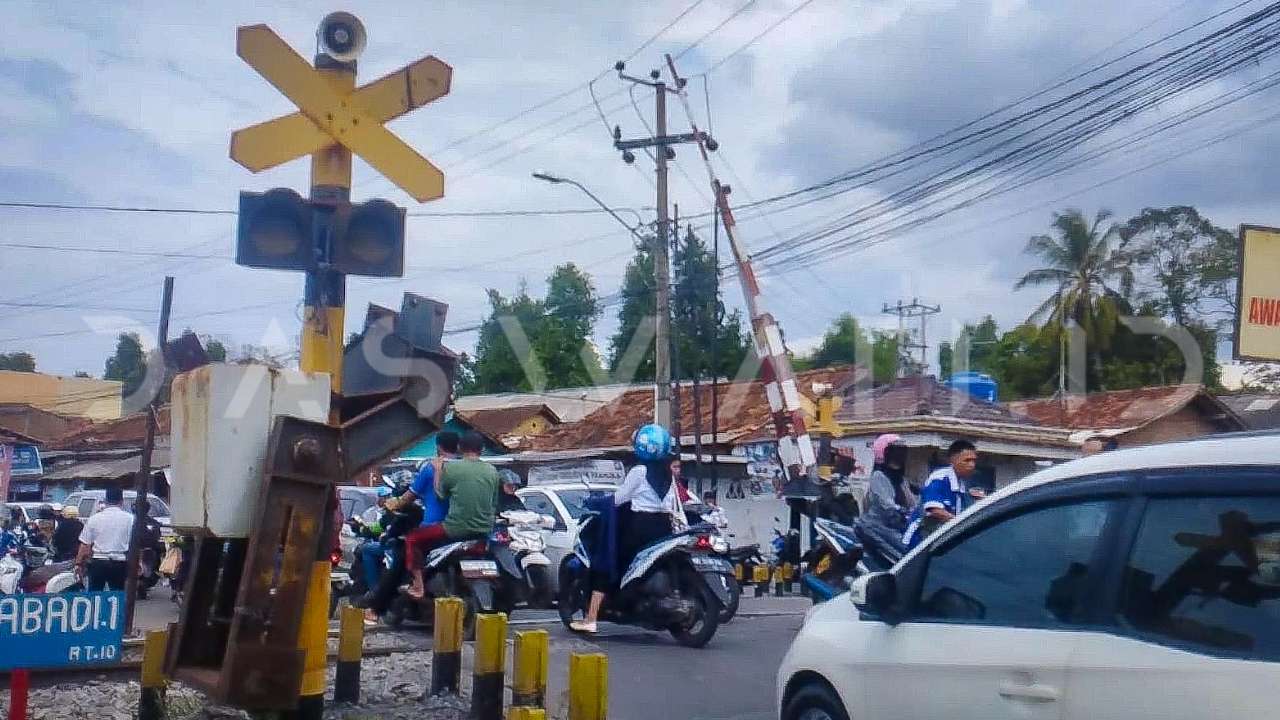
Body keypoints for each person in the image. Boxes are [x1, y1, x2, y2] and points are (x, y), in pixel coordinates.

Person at [571, 423, 680, 634]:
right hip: (664, 528)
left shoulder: (639, 471)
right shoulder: (668, 473)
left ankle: (591, 618)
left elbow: (619, 499)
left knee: (607, 561)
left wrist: (596, 502)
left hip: (641, 528)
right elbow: (671, 503)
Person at [403, 431, 500, 600]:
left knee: (412, 538)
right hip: (485, 530)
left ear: (461, 449)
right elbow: (494, 502)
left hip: (455, 529)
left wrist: (438, 470)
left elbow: (440, 494)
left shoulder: (452, 467)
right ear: (482, 450)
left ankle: (418, 586)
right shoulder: (492, 471)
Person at [902, 440, 984, 550]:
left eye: (974, 461)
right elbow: (935, 510)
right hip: (918, 542)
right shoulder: (939, 478)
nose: (972, 465)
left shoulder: (962, 485)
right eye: (967, 460)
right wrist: (961, 524)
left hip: (935, 542)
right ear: (953, 460)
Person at [76, 486, 134, 591]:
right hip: (119, 562)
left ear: (106, 501)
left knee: (95, 595)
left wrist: (78, 564)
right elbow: (134, 544)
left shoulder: (94, 519)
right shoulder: (130, 519)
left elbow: (85, 545)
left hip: (98, 562)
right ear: (121, 501)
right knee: (117, 595)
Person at [864, 434, 914, 532]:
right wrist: (902, 510)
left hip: (900, 526)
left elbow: (911, 501)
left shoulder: (902, 480)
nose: (901, 454)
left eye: (903, 450)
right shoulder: (878, 476)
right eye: (897, 450)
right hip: (880, 529)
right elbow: (887, 503)